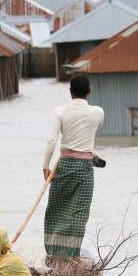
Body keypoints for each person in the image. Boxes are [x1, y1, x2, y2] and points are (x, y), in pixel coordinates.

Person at [42, 74, 104, 258]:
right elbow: (90, 133)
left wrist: (45, 166)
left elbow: (52, 141)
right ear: (89, 92)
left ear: (70, 92)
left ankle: (53, 252)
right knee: (79, 212)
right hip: (85, 167)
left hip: (63, 165)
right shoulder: (98, 112)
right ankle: (71, 253)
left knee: (55, 209)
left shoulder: (60, 111)